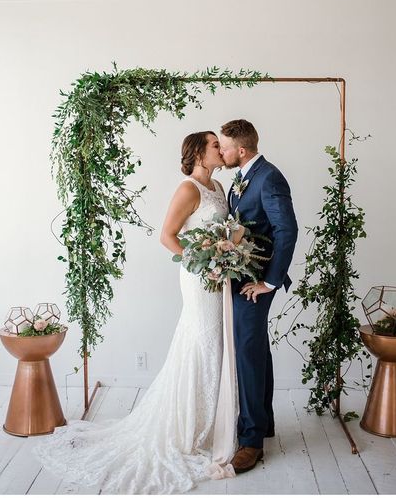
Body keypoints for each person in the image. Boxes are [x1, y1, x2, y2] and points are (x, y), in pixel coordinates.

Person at [33, 131, 236, 494]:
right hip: (199, 278)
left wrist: (225, 256)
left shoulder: (219, 186)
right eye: (215, 146)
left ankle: (208, 423)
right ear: (198, 154)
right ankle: (188, 429)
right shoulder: (188, 189)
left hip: (218, 278)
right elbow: (168, 236)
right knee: (202, 342)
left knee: (215, 345)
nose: (221, 150)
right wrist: (205, 264)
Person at [219, 119, 298, 474]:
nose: (220, 152)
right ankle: (263, 424)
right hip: (241, 277)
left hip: (256, 281)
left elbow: (287, 229)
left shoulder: (269, 177)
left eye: (224, 146)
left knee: (248, 353)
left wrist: (269, 281)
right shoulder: (242, 177)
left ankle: (251, 442)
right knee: (255, 349)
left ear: (241, 150)